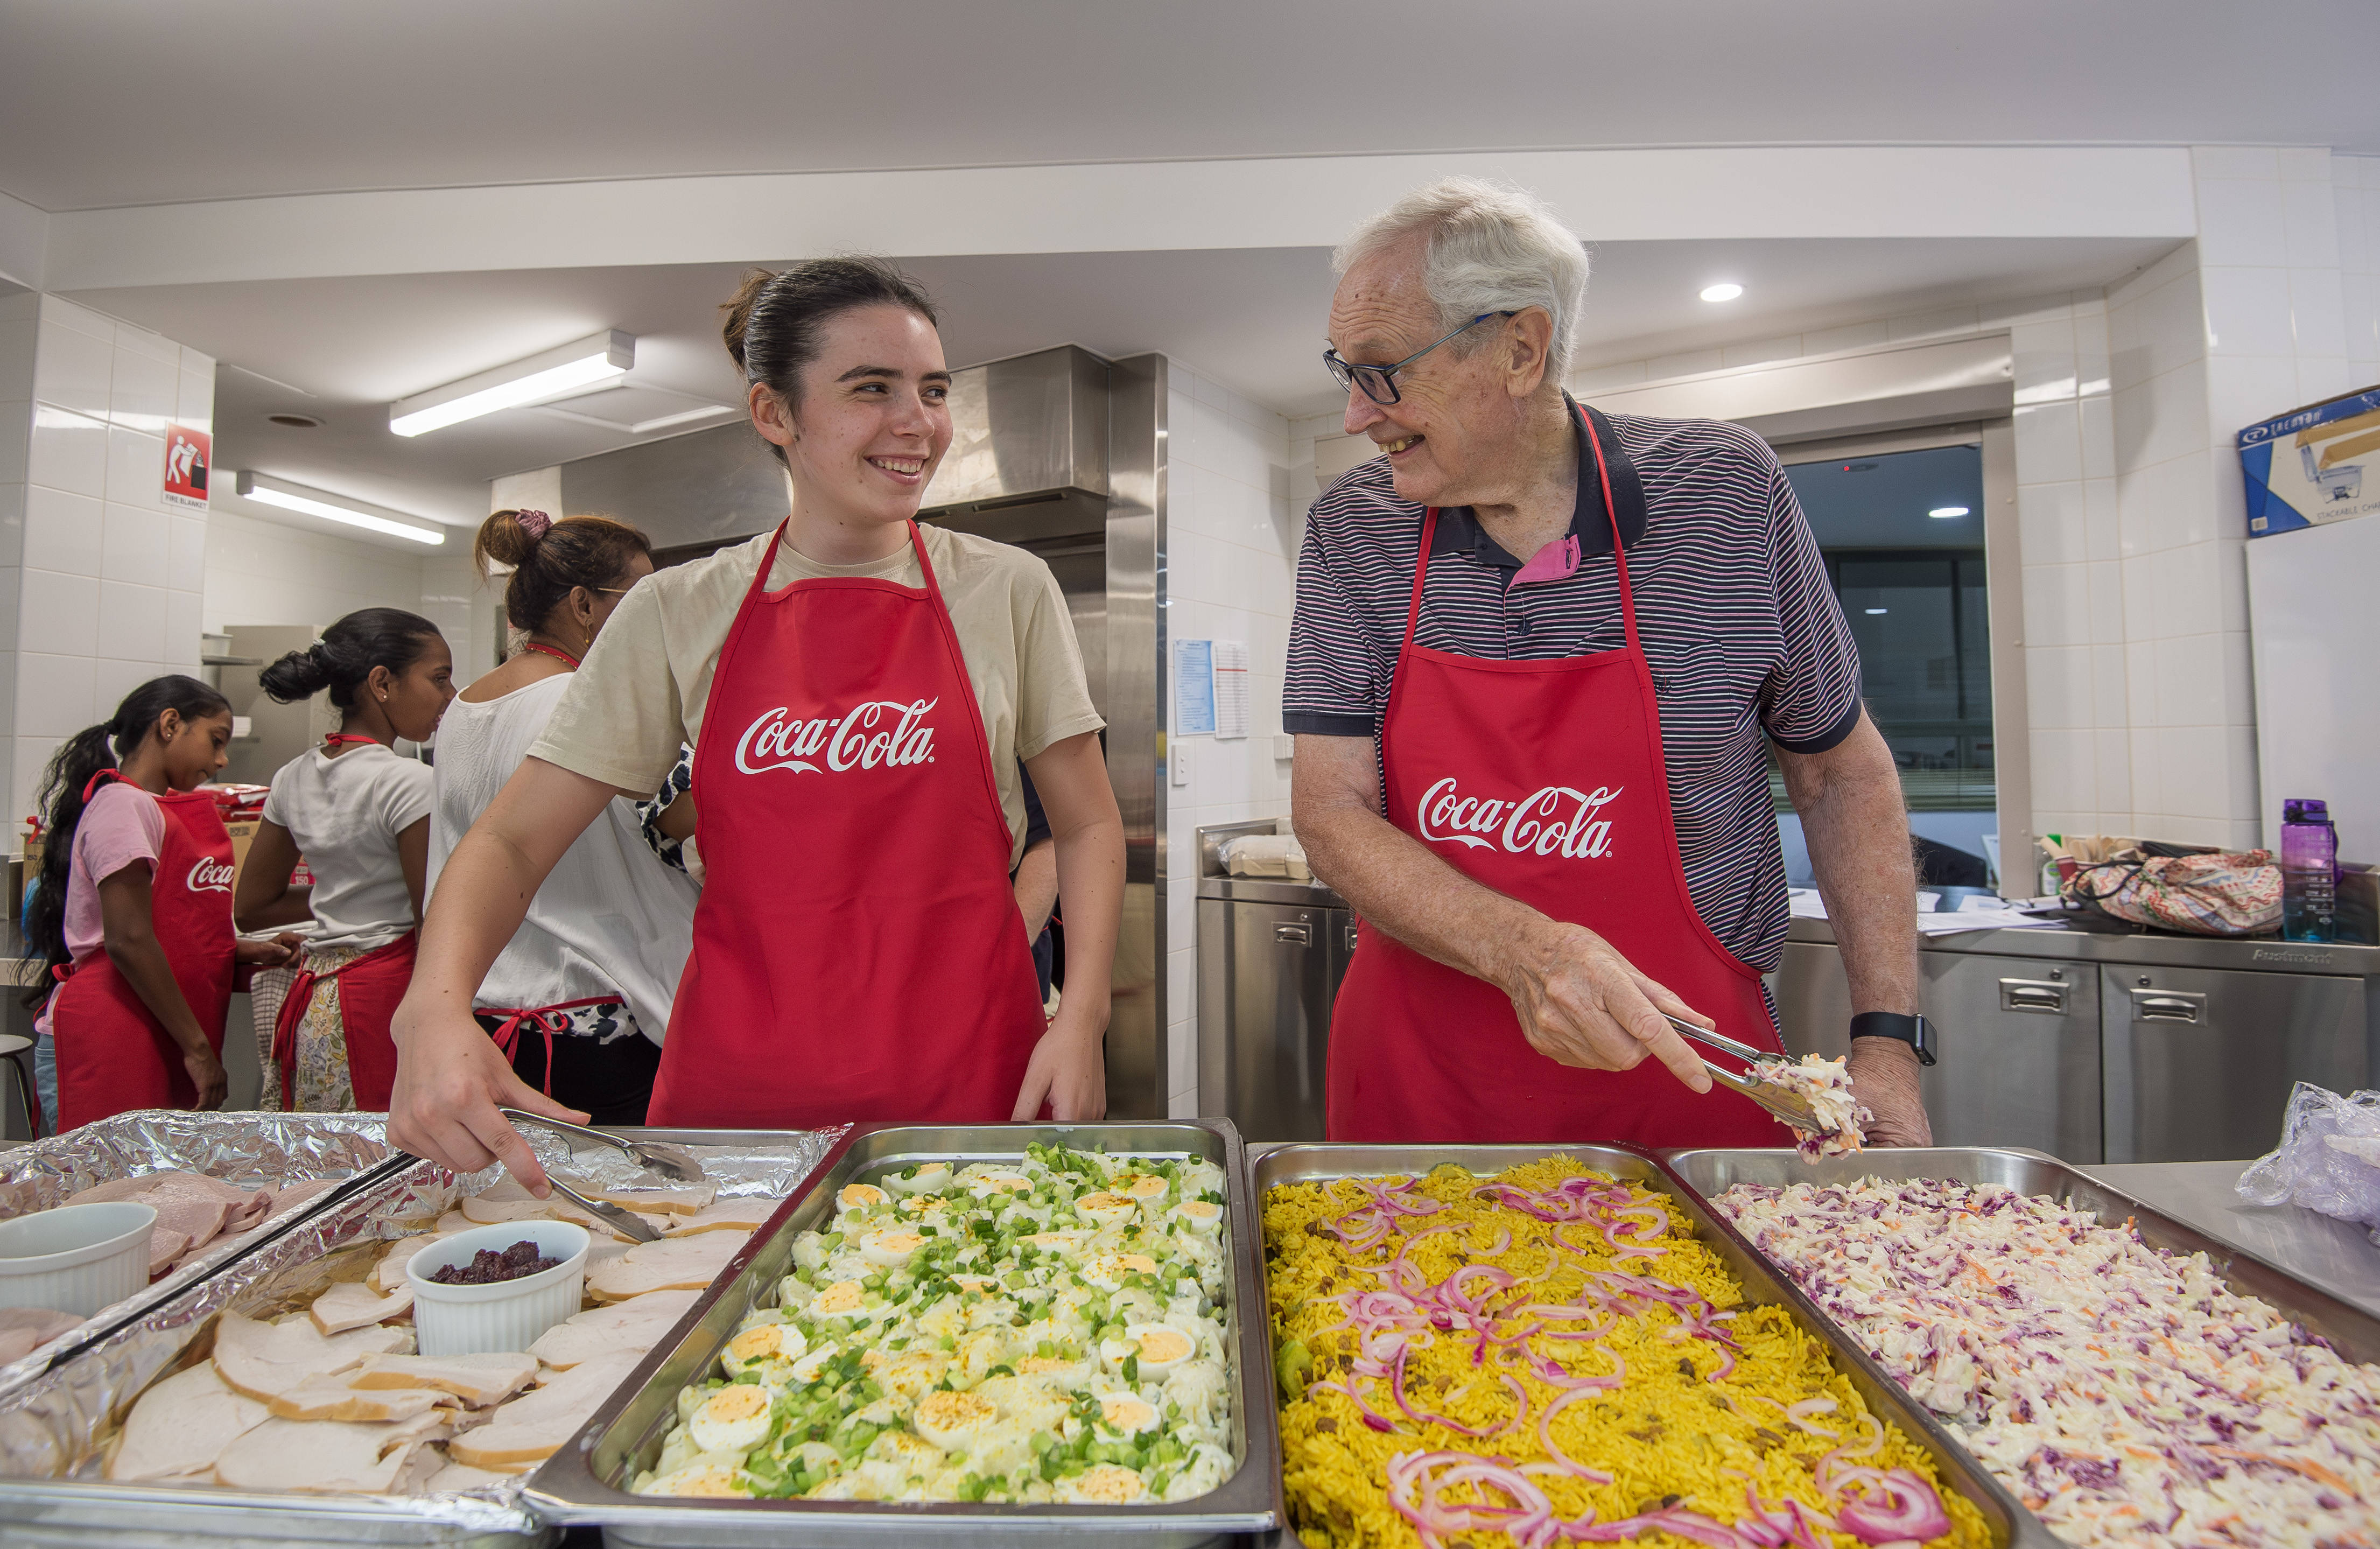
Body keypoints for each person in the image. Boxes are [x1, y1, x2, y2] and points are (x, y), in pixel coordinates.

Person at [389, 257, 1124, 1186]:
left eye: (933, 390)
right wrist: (435, 1004)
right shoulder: (676, 610)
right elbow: (512, 841)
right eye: (872, 389)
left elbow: (1091, 822)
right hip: (745, 1089)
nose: (919, 423)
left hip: (974, 1071)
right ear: (774, 413)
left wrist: (1084, 1012)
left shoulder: (1006, 587)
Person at [1289, 178, 1936, 1147]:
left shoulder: (1726, 493)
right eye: (1346, 370)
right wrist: (1524, 951)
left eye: (1382, 372)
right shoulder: (1354, 528)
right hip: (1424, 1092)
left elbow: (1837, 766)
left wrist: (1886, 1039)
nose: (1353, 414)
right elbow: (1330, 809)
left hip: (1688, 1083)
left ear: (1519, 348)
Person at [426, 508, 697, 1124]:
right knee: (636, 1208)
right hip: (604, 1020)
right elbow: (692, 823)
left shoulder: (467, 706)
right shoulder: (595, 702)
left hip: (496, 1018)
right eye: (642, 599)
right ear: (583, 605)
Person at [25, 677, 298, 1130]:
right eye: (215, 740)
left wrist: (241, 952)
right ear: (170, 724)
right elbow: (129, 939)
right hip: (110, 1030)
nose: (221, 760)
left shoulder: (151, 807)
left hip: (151, 1027)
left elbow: (171, 929)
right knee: (110, 1191)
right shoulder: (122, 807)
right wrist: (199, 1050)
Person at [235, 609, 455, 1111]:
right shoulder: (407, 781)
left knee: (328, 1158)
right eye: (438, 678)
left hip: (317, 1001)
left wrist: (347, 894)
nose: (450, 695)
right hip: (385, 998)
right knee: (390, 1162)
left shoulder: (293, 775)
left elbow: (252, 906)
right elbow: (433, 924)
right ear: (382, 683)